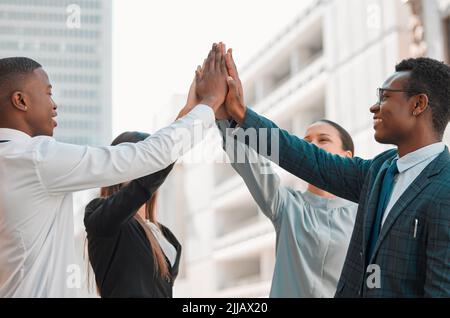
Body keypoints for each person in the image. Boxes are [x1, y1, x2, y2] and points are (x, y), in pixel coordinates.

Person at [0, 43, 229, 297]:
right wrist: (209, 103)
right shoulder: (36, 158)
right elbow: (146, 157)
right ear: (20, 100)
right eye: (48, 92)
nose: (54, 105)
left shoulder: (16, 160)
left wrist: (189, 113)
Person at [221, 49, 450, 297]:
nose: (374, 107)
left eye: (384, 97)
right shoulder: (378, 172)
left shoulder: (444, 186)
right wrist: (239, 114)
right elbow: (305, 158)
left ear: (418, 104)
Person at [217, 117, 358, 297]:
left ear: (347, 157)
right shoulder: (286, 204)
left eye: (323, 140)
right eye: (306, 142)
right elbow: (250, 163)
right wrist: (224, 115)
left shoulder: (364, 215)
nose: (312, 146)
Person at [84, 132, 179, 298]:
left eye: (150, 161)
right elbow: (141, 187)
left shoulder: (167, 237)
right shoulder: (101, 214)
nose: (148, 168)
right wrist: (178, 138)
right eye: (140, 160)